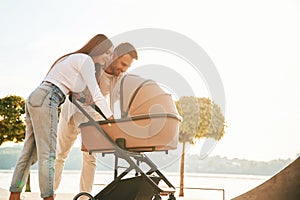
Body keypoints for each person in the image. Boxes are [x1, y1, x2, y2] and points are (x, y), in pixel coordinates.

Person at [9, 34, 114, 200]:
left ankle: (14, 195)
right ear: (98, 48)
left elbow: (72, 89)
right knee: (49, 154)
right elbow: (97, 94)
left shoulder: (72, 59)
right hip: (48, 98)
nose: (109, 57)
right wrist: (111, 118)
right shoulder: (86, 60)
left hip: (36, 96)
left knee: (29, 152)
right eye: (107, 52)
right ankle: (48, 197)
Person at [54, 43, 138, 196]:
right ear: (114, 55)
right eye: (123, 63)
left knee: (90, 158)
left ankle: (84, 197)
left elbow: (122, 99)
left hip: (92, 117)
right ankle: (50, 194)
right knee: (60, 155)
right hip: (72, 111)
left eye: (128, 66)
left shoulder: (119, 77)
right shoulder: (94, 65)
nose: (124, 68)